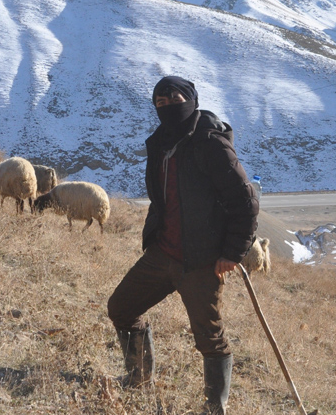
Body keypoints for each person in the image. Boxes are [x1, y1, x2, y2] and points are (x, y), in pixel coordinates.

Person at [107, 76, 259, 414]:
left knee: (210, 338)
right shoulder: (160, 142)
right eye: (160, 103)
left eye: (174, 98)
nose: (167, 106)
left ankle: (213, 408)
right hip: (163, 253)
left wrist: (232, 253)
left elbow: (245, 202)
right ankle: (138, 379)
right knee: (121, 308)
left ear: (190, 99)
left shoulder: (211, 142)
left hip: (202, 262)